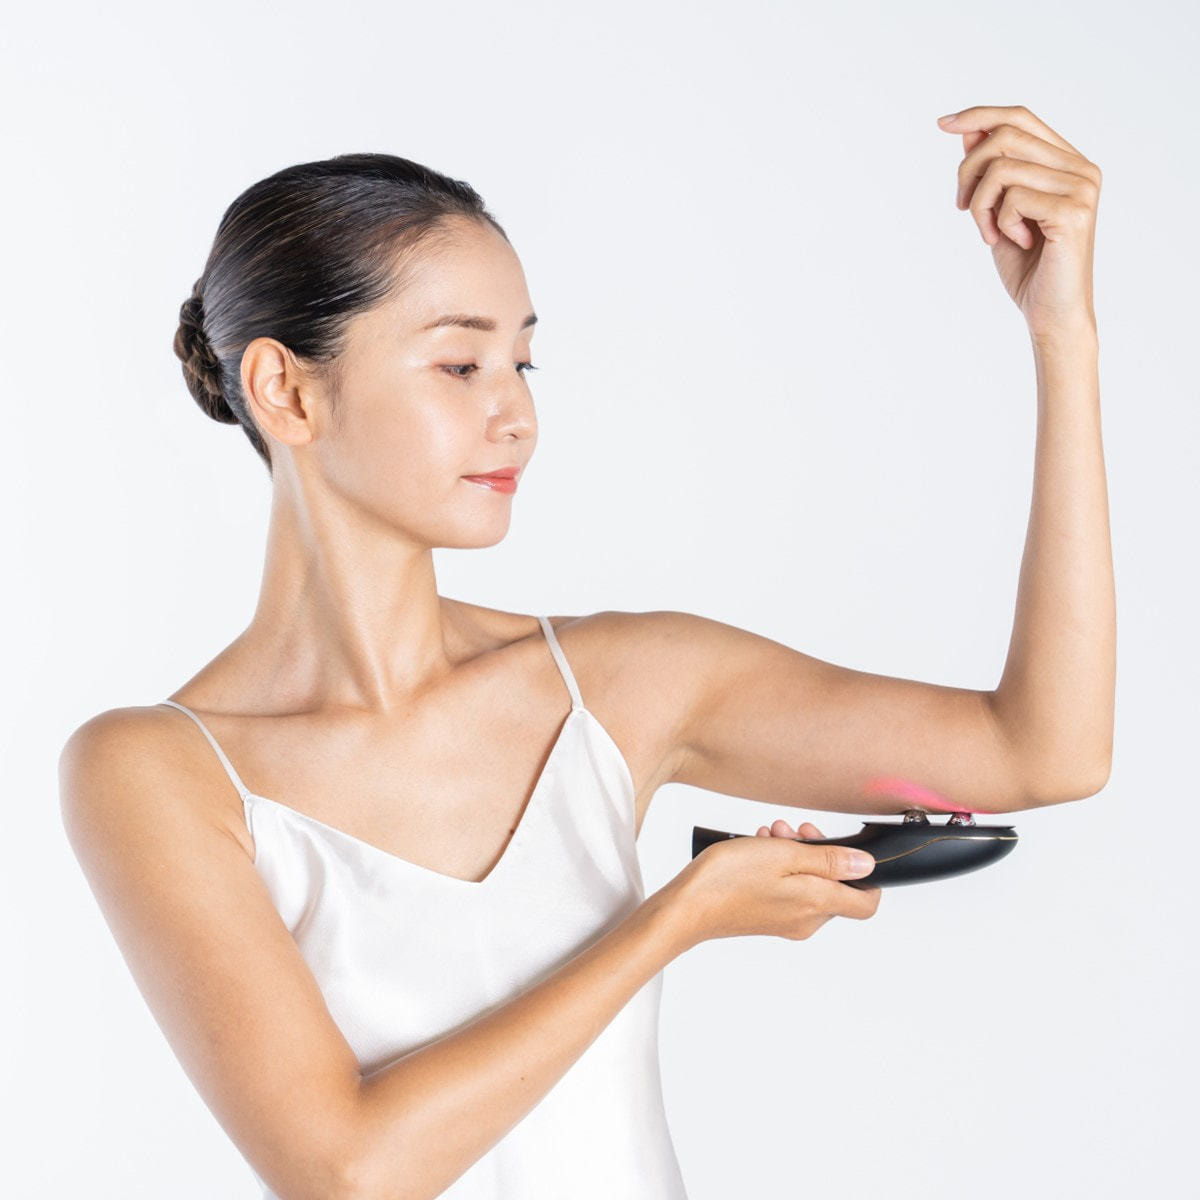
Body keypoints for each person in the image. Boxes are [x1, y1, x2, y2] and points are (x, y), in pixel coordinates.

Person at [59, 113, 1113, 1200]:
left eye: (522, 361)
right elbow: (346, 1173)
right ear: (287, 391)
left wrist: (1063, 335)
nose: (516, 414)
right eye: (460, 364)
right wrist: (673, 922)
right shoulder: (156, 772)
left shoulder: (618, 685)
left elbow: (1043, 752)